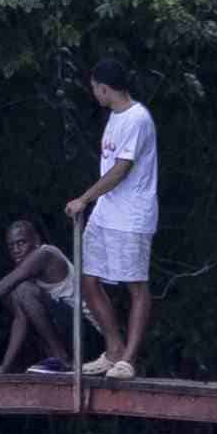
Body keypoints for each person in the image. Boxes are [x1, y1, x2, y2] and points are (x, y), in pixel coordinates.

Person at [64, 56, 160, 379]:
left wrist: (84, 198)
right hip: (107, 212)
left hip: (132, 214)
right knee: (88, 279)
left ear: (104, 89)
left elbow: (121, 169)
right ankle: (113, 350)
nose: (94, 94)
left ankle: (128, 360)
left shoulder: (136, 118)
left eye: (95, 89)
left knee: (136, 285)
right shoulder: (115, 117)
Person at [0, 217, 109, 376]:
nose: (16, 250)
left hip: (90, 335)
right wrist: (4, 367)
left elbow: (0, 288)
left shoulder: (45, 255)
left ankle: (62, 359)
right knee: (21, 290)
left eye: (21, 243)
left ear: (36, 241)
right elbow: (20, 320)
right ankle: (60, 359)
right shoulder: (28, 275)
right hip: (74, 335)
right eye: (11, 246)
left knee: (22, 289)